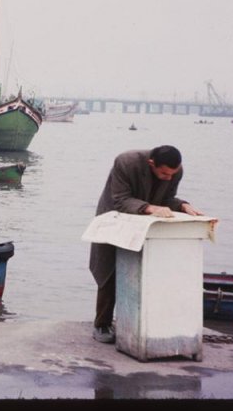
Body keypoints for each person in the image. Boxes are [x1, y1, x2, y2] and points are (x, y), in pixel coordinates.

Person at [89, 145, 203, 344]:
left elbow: (167, 198)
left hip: (145, 221)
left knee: (146, 271)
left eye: (172, 174)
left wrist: (183, 205)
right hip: (113, 217)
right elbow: (121, 200)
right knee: (109, 272)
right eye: (164, 173)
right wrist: (150, 208)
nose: (168, 177)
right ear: (152, 164)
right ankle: (102, 324)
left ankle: (139, 323)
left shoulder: (175, 172)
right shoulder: (126, 162)